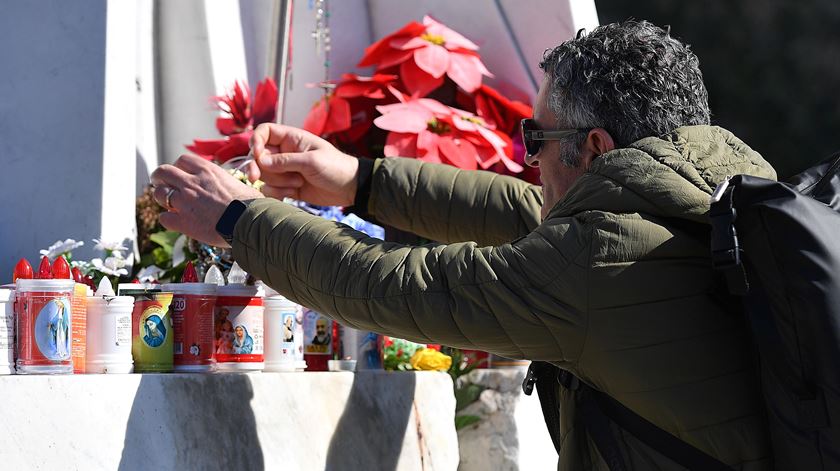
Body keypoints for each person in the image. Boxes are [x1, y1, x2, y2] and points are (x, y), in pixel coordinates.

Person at [151, 20, 775, 469]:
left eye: (538, 136)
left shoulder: (598, 266)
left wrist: (238, 218)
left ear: (597, 149)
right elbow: (524, 211)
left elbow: (393, 287)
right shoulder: (713, 202)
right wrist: (360, 181)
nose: (530, 160)